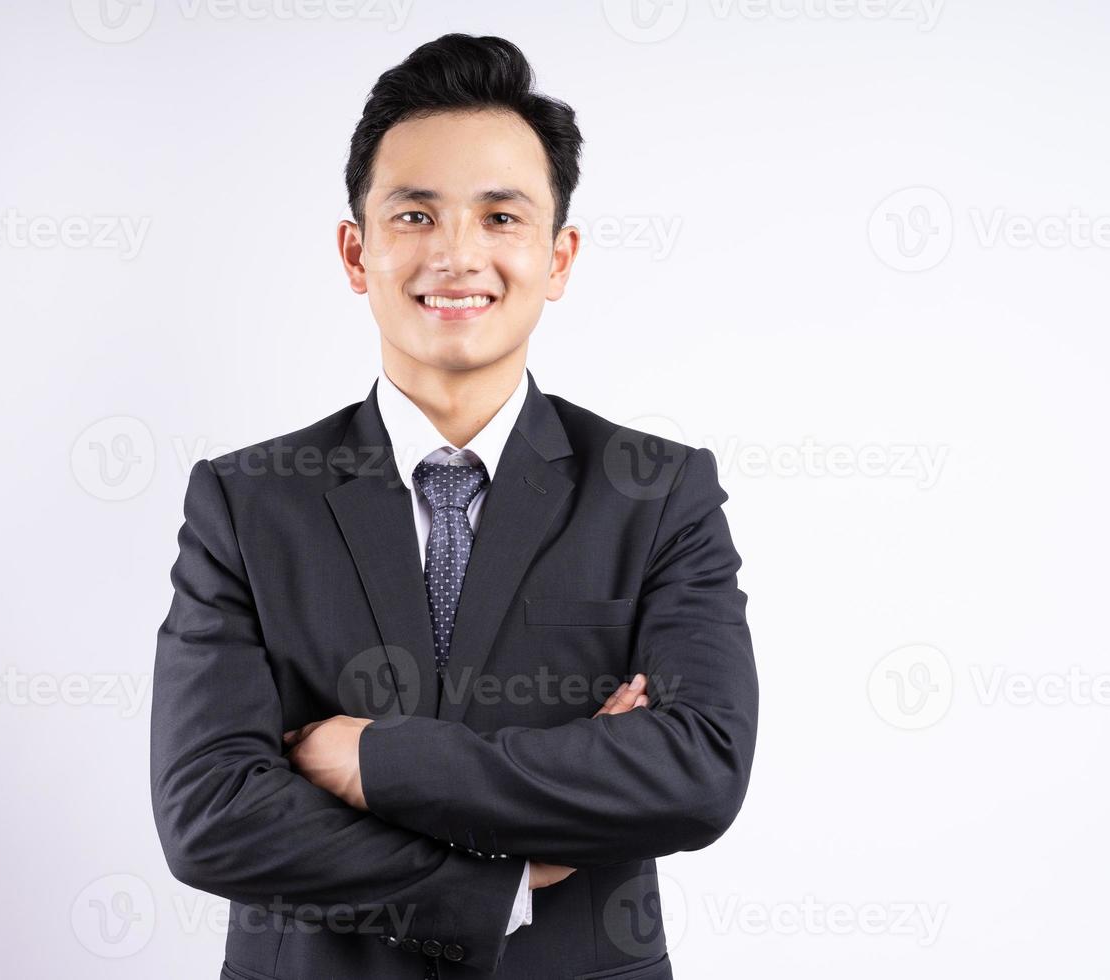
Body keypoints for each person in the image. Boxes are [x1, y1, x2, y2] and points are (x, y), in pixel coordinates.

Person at [150, 33, 758, 980]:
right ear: (358, 252)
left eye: (501, 217)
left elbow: (699, 769)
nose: (458, 253)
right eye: (416, 215)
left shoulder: (656, 491)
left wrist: (375, 760)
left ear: (558, 257)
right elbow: (210, 815)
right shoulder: (245, 500)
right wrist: (505, 877)